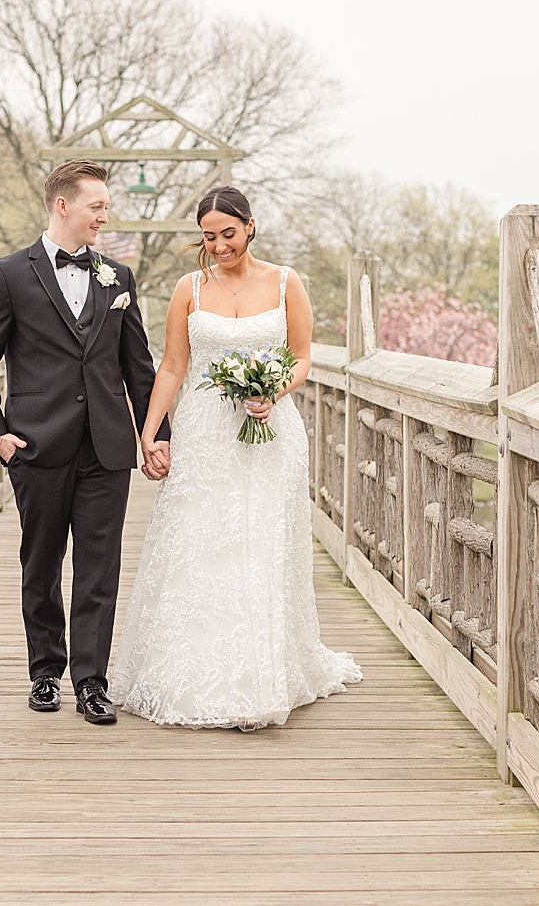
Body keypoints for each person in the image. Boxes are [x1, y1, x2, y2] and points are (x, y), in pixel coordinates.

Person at [110, 185, 361, 730]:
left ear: (250, 226)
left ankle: (260, 678)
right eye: (208, 237)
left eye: (228, 234)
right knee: (200, 542)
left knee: (262, 543)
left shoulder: (287, 282)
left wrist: (274, 391)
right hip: (203, 432)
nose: (219, 245)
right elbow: (173, 365)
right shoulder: (189, 289)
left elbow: (302, 357)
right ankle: (189, 670)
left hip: (271, 431)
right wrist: (150, 434)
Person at [0, 159, 171, 725]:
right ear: (63, 205)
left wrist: (157, 436)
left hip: (108, 447)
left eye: (105, 206)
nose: (105, 216)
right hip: (35, 446)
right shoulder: (8, 275)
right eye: (97, 206)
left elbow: (140, 368)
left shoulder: (118, 279)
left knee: (100, 568)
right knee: (42, 561)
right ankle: (45, 674)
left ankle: (92, 683)